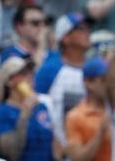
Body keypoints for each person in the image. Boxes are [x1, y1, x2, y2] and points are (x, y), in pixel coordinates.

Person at [0, 55, 73, 161]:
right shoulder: (1, 113)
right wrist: (24, 115)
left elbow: (54, 149)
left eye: (30, 72)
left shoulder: (41, 107)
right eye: (23, 74)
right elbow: (11, 152)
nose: (30, 77)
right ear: (10, 81)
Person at [34, 11, 91, 144]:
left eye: (88, 28)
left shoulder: (95, 68)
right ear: (65, 37)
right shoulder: (49, 69)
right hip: (57, 149)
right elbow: (37, 107)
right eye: (81, 29)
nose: (88, 32)